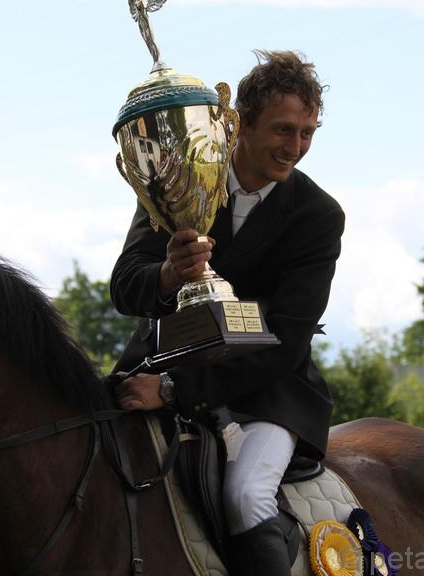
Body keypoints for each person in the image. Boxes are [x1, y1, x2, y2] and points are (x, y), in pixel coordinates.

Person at [110, 50, 345, 576]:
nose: (295, 148)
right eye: (283, 130)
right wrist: (168, 275)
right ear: (239, 122)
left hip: (266, 391)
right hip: (152, 366)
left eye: (307, 133)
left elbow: (286, 340)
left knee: (245, 495)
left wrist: (175, 390)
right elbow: (124, 288)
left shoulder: (320, 215)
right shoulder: (175, 179)